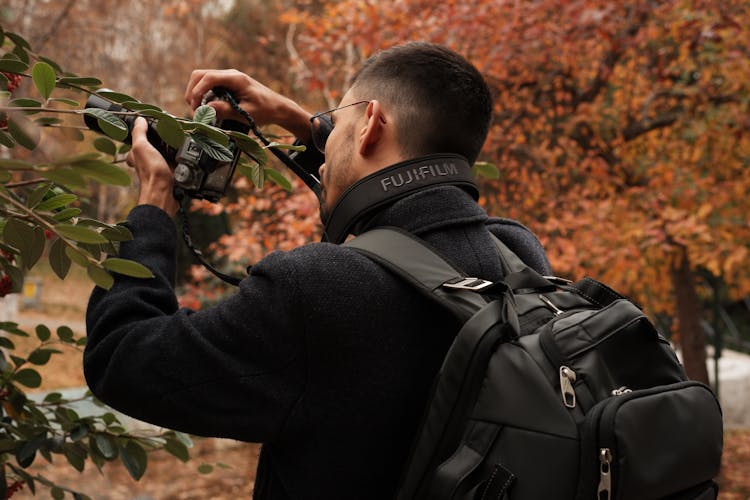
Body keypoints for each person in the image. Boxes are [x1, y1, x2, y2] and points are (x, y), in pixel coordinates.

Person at [84, 42, 551, 499]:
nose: (328, 145)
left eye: (340, 120)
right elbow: (405, 228)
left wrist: (153, 204)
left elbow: (122, 356)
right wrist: (299, 123)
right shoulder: (517, 253)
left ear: (370, 124)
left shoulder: (314, 292)